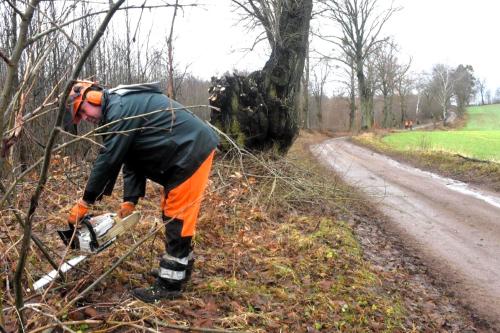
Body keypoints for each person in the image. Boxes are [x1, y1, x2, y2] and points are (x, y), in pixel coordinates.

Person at [66, 80, 219, 302]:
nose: (86, 118)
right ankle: (180, 268)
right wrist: (130, 199)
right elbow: (132, 159)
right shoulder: (118, 109)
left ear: (93, 97)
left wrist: (86, 200)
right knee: (172, 213)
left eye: (83, 110)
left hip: (190, 151)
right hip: (182, 154)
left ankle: (169, 285)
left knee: (178, 217)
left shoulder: (120, 109)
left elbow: (109, 159)